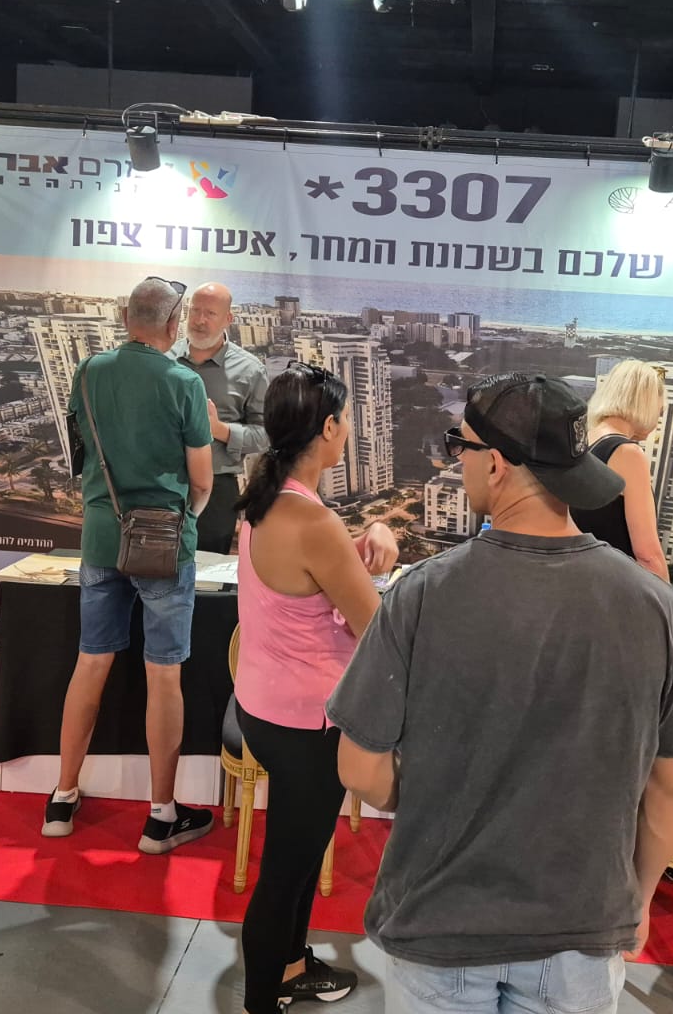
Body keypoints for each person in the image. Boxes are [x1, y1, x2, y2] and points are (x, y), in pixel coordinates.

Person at [327, 373, 673, 1014]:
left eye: (461, 445)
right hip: (584, 928)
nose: (457, 461)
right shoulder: (655, 605)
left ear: (497, 463)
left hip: (440, 921)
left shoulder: (422, 593)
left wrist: (423, 797)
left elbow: (360, 767)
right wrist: (639, 900)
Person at [233, 362, 399, 1014]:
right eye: (345, 418)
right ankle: (261, 998)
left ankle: (293, 966)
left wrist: (366, 538)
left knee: (298, 861)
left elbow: (304, 580)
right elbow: (375, 629)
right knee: (286, 873)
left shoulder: (264, 501)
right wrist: (381, 551)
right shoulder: (314, 523)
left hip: (265, 709)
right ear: (328, 429)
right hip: (308, 724)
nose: (348, 428)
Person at [43, 276, 217, 856]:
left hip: (100, 538)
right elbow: (201, 482)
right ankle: (161, 817)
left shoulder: (88, 371)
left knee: (91, 661)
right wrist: (183, 523)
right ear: (173, 324)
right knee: (163, 674)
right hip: (163, 544)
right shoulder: (184, 382)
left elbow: (82, 453)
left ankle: (62, 797)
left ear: (125, 318)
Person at [171, 281, 269, 554]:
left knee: (207, 570)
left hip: (217, 488)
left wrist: (219, 430)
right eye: (195, 311)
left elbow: (265, 435)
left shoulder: (250, 370)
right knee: (152, 567)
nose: (200, 320)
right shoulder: (164, 359)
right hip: (163, 484)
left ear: (228, 319)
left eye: (210, 313)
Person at [573, 359, 670, 580]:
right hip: (616, 583)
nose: (657, 421)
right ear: (646, 405)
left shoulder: (583, 441)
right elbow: (648, 555)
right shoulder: (627, 454)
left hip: (580, 578)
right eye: (660, 411)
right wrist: (668, 598)